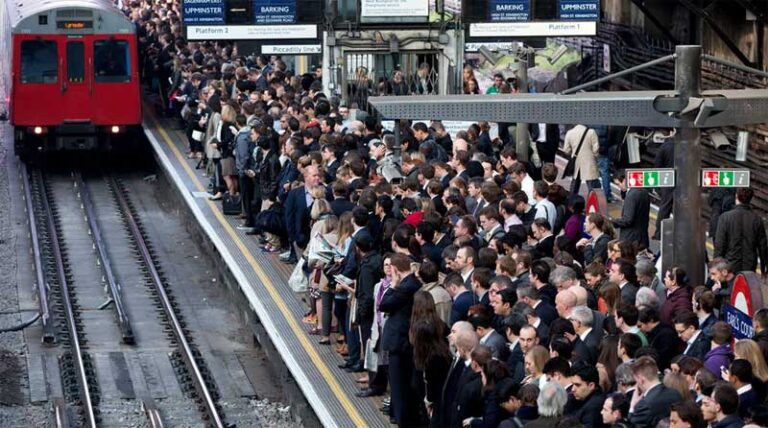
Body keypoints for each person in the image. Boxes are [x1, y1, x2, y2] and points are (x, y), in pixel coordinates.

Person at [379, 253, 423, 426]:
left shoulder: (405, 287)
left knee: (399, 389)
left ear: (395, 269)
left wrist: (393, 284)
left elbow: (384, 304)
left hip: (400, 344)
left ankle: (403, 421)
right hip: (405, 342)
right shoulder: (414, 283)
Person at [714, 187, 768, 274]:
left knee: (731, 286)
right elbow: (763, 247)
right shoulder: (757, 219)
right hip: (750, 265)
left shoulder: (725, 217)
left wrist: (716, 268)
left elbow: (719, 244)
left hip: (730, 265)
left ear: (736, 196)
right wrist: (763, 268)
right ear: (750, 199)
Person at [410, 318, 452, 426]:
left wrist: (428, 401)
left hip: (437, 400)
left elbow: (431, 383)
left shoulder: (433, 358)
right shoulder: (440, 350)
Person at [629, 356, 683, 428]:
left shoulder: (644, 405)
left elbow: (631, 426)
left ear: (640, 378)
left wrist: (632, 408)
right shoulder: (675, 393)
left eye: (636, 380)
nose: (636, 385)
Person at [284, 164, 322, 263]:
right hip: (301, 241)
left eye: (318, 175)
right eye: (314, 175)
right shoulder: (294, 194)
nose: (317, 178)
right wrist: (294, 239)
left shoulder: (326, 193)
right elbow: (289, 217)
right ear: (306, 177)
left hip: (319, 242)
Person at [611, 173, 650, 249]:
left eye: (618, 184)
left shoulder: (631, 196)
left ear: (625, 180)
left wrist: (611, 222)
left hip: (630, 239)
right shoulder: (644, 192)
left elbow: (627, 219)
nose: (619, 187)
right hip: (642, 237)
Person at [562, 124, 600, 198]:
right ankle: (592, 204)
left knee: (575, 184)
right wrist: (594, 156)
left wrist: (573, 153)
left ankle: (572, 202)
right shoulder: (591, 132)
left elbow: (566, 150)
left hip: (576, 162)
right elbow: (596, 148)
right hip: (589, 161)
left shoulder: (570, 132)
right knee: (591, 185)